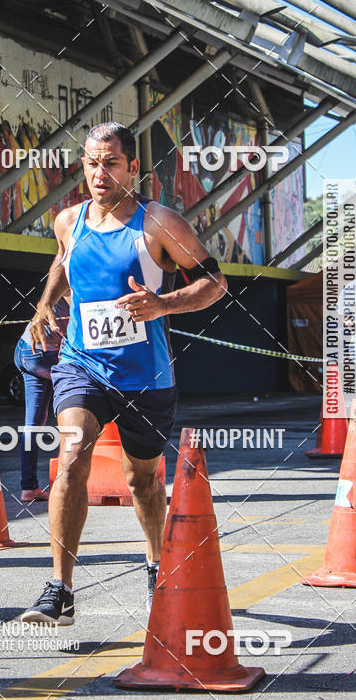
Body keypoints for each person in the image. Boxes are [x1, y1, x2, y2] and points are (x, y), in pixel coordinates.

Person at [21, 122, 226, 624]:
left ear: (133, 167)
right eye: (91, 163)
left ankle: (158, 563)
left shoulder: (159, 223)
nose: (98, 172)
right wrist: (44, 307)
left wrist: (162, 303)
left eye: (110, 162)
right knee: (71, 457)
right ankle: (59, 589)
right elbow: (63, 264)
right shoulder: (69, 220)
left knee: (143, 480)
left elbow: (215, 283)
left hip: (146, 376)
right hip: (81, 364)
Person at [15, 297, 70, 502]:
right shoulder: (75, 277)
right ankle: (71, 482)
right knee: (78, 403)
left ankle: (28, 488)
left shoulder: (61, 282)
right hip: (45, 353)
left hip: (25, 349)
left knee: (34, 424)